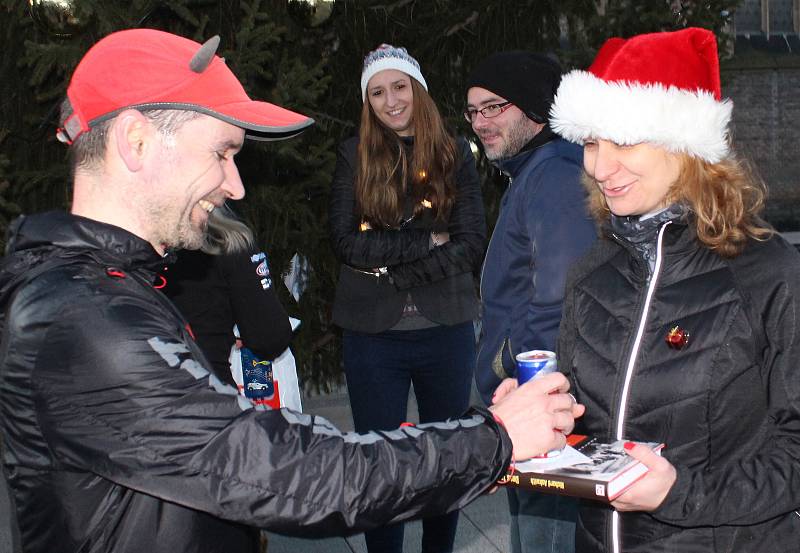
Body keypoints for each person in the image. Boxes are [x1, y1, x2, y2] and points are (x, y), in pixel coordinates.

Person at [0, 29, 583, 553]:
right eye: (223, 152)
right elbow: (287, 474)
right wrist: (495, 439)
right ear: (137, 140)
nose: (234, 181)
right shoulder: (85, 321)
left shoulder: (113, 286)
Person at [548, 27, 800, 552]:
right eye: (593, 142)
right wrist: (545, 408)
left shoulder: (766, 272)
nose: (600, 165)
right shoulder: (593, 271)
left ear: (685, 148)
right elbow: (594, 411)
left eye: (624, 140)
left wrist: (681, 494)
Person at [329, 44, 486, 553]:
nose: (391, 100)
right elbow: (346, 242)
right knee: (383, 467)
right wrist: (425, 242)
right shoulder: (353, 155)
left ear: (416, 88)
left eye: (399, 86)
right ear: (367, 101)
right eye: (377, 92)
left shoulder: (455, 152)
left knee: (448, 463)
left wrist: (394, 272)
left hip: (447, 331)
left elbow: (470, 242)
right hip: (374, 337)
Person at [465, 52, 597, 553]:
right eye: (473, 111)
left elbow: (560, 299)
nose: (480, 122)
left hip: (544, 408)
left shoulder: (553, 175)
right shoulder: (537, 170)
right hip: (537, 405)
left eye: (494, 107)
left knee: (547, 541)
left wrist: (521, 383)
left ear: (536, 109)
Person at [164, 204, 293, 387]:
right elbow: (270, 338)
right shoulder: (227, 241)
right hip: (206, 394)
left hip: (128, 398)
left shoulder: (123, 246)